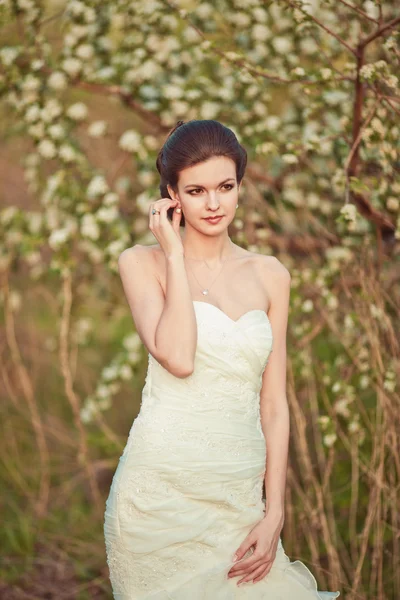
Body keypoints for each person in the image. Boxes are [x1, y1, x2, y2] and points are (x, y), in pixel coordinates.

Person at [104, 120, 340, 599]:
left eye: (225, 187)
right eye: (196, 190)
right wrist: (173, 254)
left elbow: (273, 403)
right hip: (158, 498)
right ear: (171, 195)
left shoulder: (270, 275)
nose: (213, 204)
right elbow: (179, 358)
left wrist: (274, 512)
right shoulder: (141, 263)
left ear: (239, 187)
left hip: (238, 498)